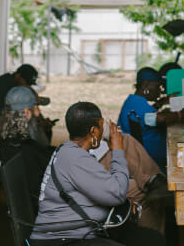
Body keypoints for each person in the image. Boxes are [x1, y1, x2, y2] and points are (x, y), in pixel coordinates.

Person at [31, 102, 164, 246]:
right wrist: (118, 150)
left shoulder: (68, 150)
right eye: (102, 126)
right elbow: (117, 194)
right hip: (65, 239)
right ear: (94, 131)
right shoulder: (77, 159)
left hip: (77, 231)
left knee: (151, 238)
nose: (103, 131)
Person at [118, 67, 184, 169]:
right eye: (157, 86)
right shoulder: (137, 104)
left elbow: (145, 116)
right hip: (152, 163)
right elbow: (160, 119)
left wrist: (161, 102)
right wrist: (182, 114)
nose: (159, 91)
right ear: (146, 85)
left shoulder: (133, 101)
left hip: (144, 156)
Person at [0, 86, 55, 206]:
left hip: (27, 208)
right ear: (27, 113)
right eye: (36, 108)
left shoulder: (9, 144)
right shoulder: (27, 148)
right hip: (43, 209)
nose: (38, 113)